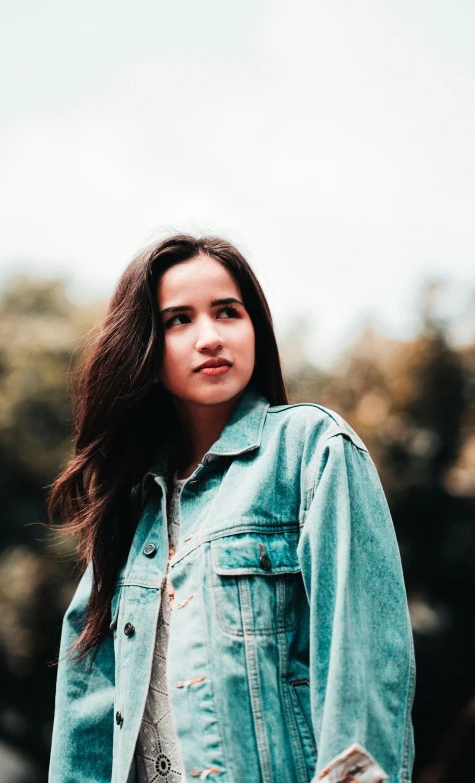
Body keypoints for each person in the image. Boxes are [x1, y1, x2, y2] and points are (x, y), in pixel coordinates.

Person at [47, 234, 415, 783]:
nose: (211, 337)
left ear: (256, 330)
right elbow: (86, 718)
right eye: (179, 320)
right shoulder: (128, 512)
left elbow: (361, 666)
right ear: (145, 348)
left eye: (228, 312)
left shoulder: (312, 449)